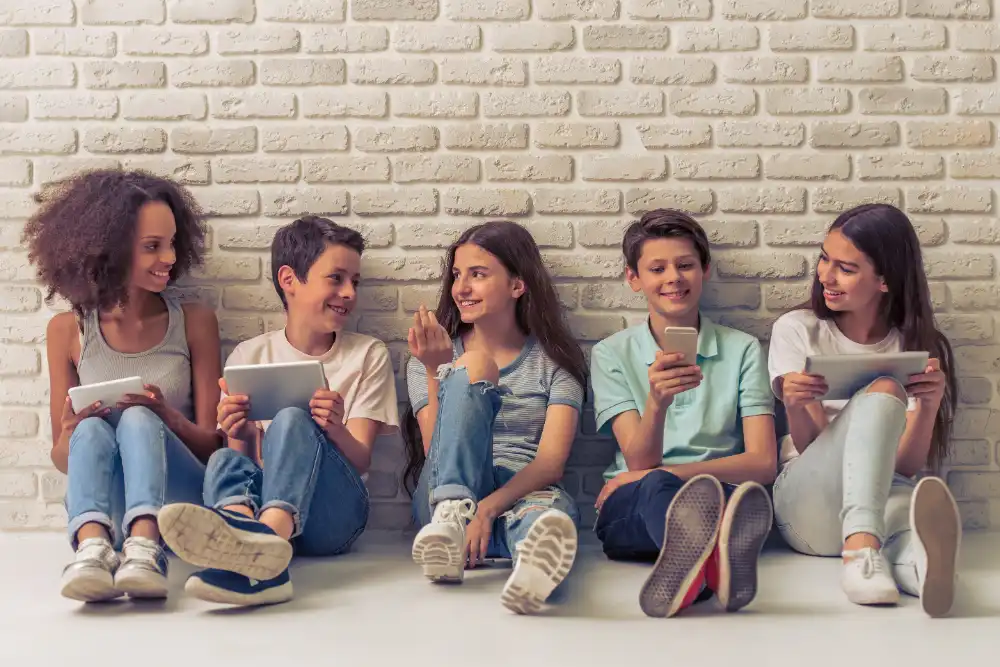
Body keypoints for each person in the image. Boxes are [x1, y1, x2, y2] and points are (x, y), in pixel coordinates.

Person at [157, 216, 398, 607]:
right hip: (266, 499)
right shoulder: (248, 355)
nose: (350, 292)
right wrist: (240, 432)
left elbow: (360, 459)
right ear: (289, 280)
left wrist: (334, 428)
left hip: (333, 520)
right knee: (221, 457)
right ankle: (256, 554)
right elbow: (242, 462)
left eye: (355, 281)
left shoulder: (367, 354)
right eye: (336, 278)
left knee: (291, 418)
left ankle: (260, 545)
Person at [23, 169, 221, 602]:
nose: (168, 257)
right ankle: (92, 549)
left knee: (137, 416)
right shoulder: (67, 330)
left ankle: (147, 547)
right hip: (108, 508)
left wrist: (166, 417)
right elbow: (62, 459)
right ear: (111, 251)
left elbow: (214, 447)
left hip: (178, 500)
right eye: (152, 246)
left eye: (171, 243)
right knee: (92, 429)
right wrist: (72, 433)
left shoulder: (195, 321)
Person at [768, 203, 961, 617]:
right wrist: (796, 403)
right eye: (824, 258)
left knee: (897, 505)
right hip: (807, 506)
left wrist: (928, 406)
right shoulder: (798, 330)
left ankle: (921, 569)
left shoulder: (915, 346)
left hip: (881, 494)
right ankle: (862, 549)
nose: (826, 276)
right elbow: (809, 446)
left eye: (846, 268)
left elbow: (904, 466)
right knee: (886, 390)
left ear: (885, 280)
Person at [590, 209, 776, 618]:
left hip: (715, 491)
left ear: (705, 270)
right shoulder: (611, 354)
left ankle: (695, 569)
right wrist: (656, 403)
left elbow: (763, 463)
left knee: (725, 498)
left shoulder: (743, 349)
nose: (673, 277)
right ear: (634, 279)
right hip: (633, 501)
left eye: (685, 265)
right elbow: (642, 462)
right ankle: (714, 564)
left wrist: (652, 475)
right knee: (658, 491)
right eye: (657, 268)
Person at [402, 221, 585, 615]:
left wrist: (487, 509)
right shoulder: (429, 357)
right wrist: (437, 371)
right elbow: (438, 450)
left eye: (478, 274)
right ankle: (453, 523)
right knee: (473, 366)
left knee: (549, 515)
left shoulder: (556, 364)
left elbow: (550, 463)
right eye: (457, 275)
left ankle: (532, 563)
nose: (461, 288)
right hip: (443, 494)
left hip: (521, 487)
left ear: (518, 286)